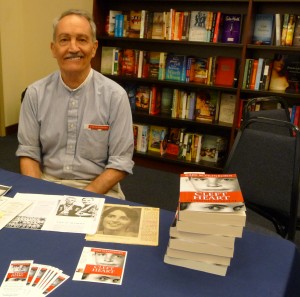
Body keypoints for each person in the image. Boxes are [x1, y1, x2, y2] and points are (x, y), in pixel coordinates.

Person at [16, 9, 134, 199]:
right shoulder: (34, 94)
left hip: (99, 191)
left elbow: (120, 162)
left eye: (82, 39)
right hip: (46, 185)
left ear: (94, 47)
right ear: (53, 48)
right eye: (64, 40)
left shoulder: (115, 96)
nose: (73, 48)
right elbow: (28, 153)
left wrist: (78, 200)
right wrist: (36, 195)